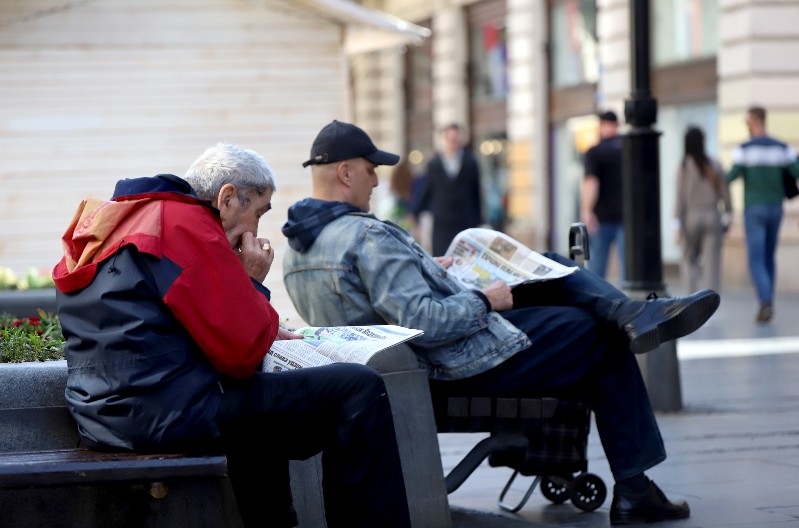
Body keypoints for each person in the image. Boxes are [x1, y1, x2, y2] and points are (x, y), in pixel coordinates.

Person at [283, 120, 722, 525]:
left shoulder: (298, 249)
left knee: (546, 267)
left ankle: (628, 316)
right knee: (597, 336)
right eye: (370, 169)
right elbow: (424, 323)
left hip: (398, 374)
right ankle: (634, 486)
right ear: (345, 173)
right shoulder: (367, 236)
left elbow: (376, 310)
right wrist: (484, 300)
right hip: (447, 369)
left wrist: (429, 271)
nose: (377, 180)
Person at [52, 143, 411, 528]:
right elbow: (241, 356)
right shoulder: (185, 226)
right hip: (162, 417)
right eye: (257, 211)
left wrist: (265, 327)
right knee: (358, 388)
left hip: (104, 416)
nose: (255, 229)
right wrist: (250, 282)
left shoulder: (122, 219)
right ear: (226, 198)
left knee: (259, 413)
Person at [727, 106, 799, 323]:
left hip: (754, 208)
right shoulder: (782, 148)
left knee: (756, 258)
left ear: (753, 121)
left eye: (747, 122)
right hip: (775, 208)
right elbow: (796, 171)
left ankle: (765, 300)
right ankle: (768, 301)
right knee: (768, 256)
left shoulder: (744, 149)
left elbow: (731, 176)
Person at [674, 126, 732, 293]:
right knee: (712, 262)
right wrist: (728, 214)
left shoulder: (684, 166)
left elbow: (680, 197)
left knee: (689, 259)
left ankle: (691, 297)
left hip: (691, 218)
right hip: (713, 216)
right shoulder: (714, 164)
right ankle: (711, 299)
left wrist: (677, 224)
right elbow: (725, 192)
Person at [413, 122, 482, 256]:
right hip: (442, 223)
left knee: (465, 257)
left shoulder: (470, 162)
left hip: (465, 220)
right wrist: (415, 212)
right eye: (450, 138)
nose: (453, 142)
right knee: (442, 258)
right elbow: (427, 190)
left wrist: (478, 221)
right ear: (445, 139)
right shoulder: (434, 164)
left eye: (456, 138)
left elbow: (476, 193)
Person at [581, 110, 624, 282]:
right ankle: (629, 304)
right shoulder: (629, 149)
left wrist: (586, 211)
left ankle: (598, 304)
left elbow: (591, 183)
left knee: (598, 268)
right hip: (626, 217)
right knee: (628, 269)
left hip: (602, 216)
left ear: (601, 125)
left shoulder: (595, 151)